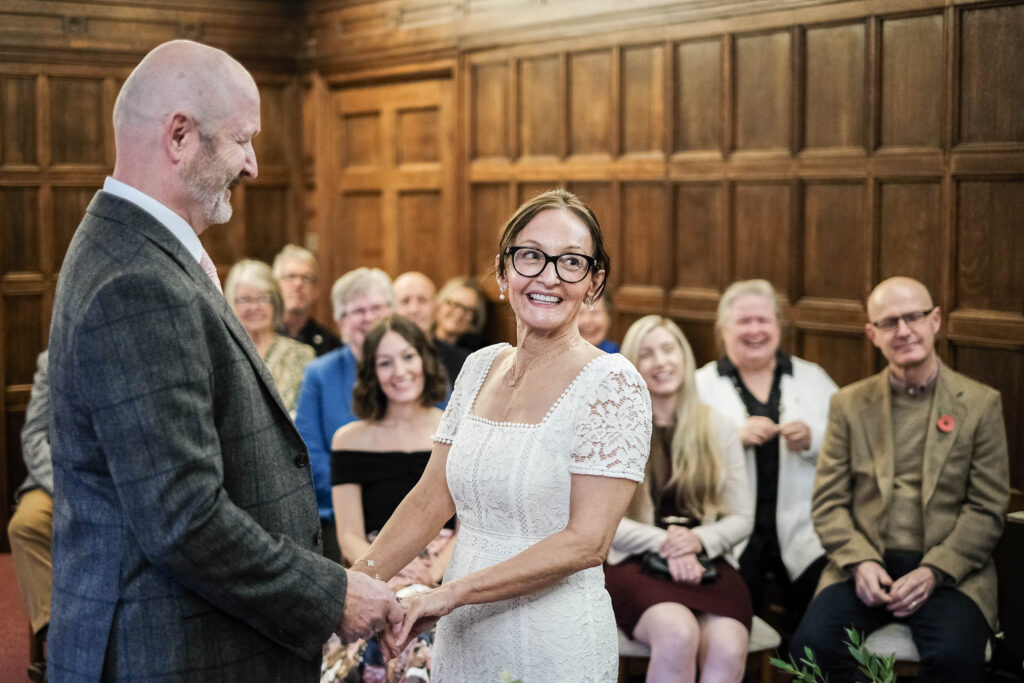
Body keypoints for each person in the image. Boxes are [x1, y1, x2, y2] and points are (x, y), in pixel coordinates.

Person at [45, 40, 399, 681]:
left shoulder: (138, 247)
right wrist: (333, 594)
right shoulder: (136, 279)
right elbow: (184, 519)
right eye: (243, 141)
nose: (255, 166)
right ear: (180, 135)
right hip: (169, 652)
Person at [351, 188, 653, 681]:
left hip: (552, 640)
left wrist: (451, 593)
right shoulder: (478, 366)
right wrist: (356, 582)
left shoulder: (613, 385)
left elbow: (587, 542)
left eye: (572, 262)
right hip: (464, 636)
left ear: (594, 282)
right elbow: (432, 496)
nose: (549, 277)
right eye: (531, 256)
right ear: (503, 270)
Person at [790, 277, 1009, 683]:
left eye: (914, 317)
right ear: (872, 334)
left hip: (949, 572)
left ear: (936, 320)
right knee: (811, 649)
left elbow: (987, 508)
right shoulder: (849, 404)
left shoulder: (980, 404)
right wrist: (860, 562)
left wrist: (934, 571)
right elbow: (828, 503)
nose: (904, 330)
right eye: (889, 322)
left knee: (955, 658)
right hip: (864, 565)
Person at [607, 316, 753, 683]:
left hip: (709, 561)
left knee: (729, 644)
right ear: (633, 365)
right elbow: (603, 521)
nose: (661, 362)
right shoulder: (615, 428)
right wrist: (670, 543)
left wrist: (698, 541)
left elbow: (741, 517)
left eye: (669, 349)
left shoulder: (718, 427)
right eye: (647, 354)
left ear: (684, 356)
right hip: (635, 562)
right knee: (678, 633)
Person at [694, 279, 837, 627]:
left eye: (764, 320)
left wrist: (813, 438)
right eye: (744, 322)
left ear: (778, 326)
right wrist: (733, 439)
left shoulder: (812, 378)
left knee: (820, 621)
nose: (755, 330)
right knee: (737, 616)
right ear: (723, 330)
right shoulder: (700, 385)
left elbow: (852, 446)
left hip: (807, 532)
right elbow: (680, 460)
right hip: (730, 537)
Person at [327, 314, 456, 683]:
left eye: (408, 357)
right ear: (372, 373)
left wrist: (431, 570)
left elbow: (470, 522)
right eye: (385, 362)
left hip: (443, 569)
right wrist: (385, 568)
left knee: (423, 638)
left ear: (425, 361)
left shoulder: (455, 428)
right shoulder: (348, 440)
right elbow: (349, 533)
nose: (399, 371)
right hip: (376, 565)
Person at [295, 267, 395, 563]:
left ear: (394, 312)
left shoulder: (419, 368)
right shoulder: (319, 374)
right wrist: (359, 503)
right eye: (357, 311)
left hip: (411, 511)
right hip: (337, 517)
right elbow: (308, 455)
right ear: (340, 322)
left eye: (377, 307)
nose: (368, 317)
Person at [8, 350, 53, 682]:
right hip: (56, 480)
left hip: (117, 485)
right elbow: (34, 437)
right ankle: (58, 635)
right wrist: (68, 485)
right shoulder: (50, 361)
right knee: (26, 525)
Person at [225, 258, 314, 415]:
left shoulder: (301, 355)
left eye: (262, 298)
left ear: (276, 303)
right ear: (231, 304)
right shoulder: (221, 354)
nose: (254, 307)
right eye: (245, 299)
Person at [394, 270, 469, 383]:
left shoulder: (463, 363)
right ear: (391, 310)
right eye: (405, 301)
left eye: (422, 300)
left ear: (436, 308)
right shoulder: (377, 359)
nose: (414, 309)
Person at [273, 244, 341, 357]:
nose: (298, 284)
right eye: (290, 276)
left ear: (316, 290)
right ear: (275, 285)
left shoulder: (331, 346)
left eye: (306, 278)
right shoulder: (260, 339)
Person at [433, 276, 487, 351]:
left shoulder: (476, 355)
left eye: (468, 309)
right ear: (440, 303)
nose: (459, 314)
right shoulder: (418, 342)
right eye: (455, 304)